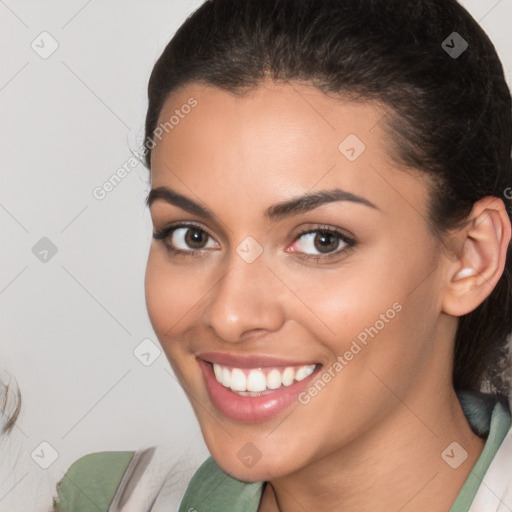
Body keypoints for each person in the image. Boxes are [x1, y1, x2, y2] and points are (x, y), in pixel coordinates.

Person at [51, 0, 512, 510]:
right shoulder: (112, 499)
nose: (229, 316)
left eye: (321, 241)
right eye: (191, 236)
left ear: (472, 258)